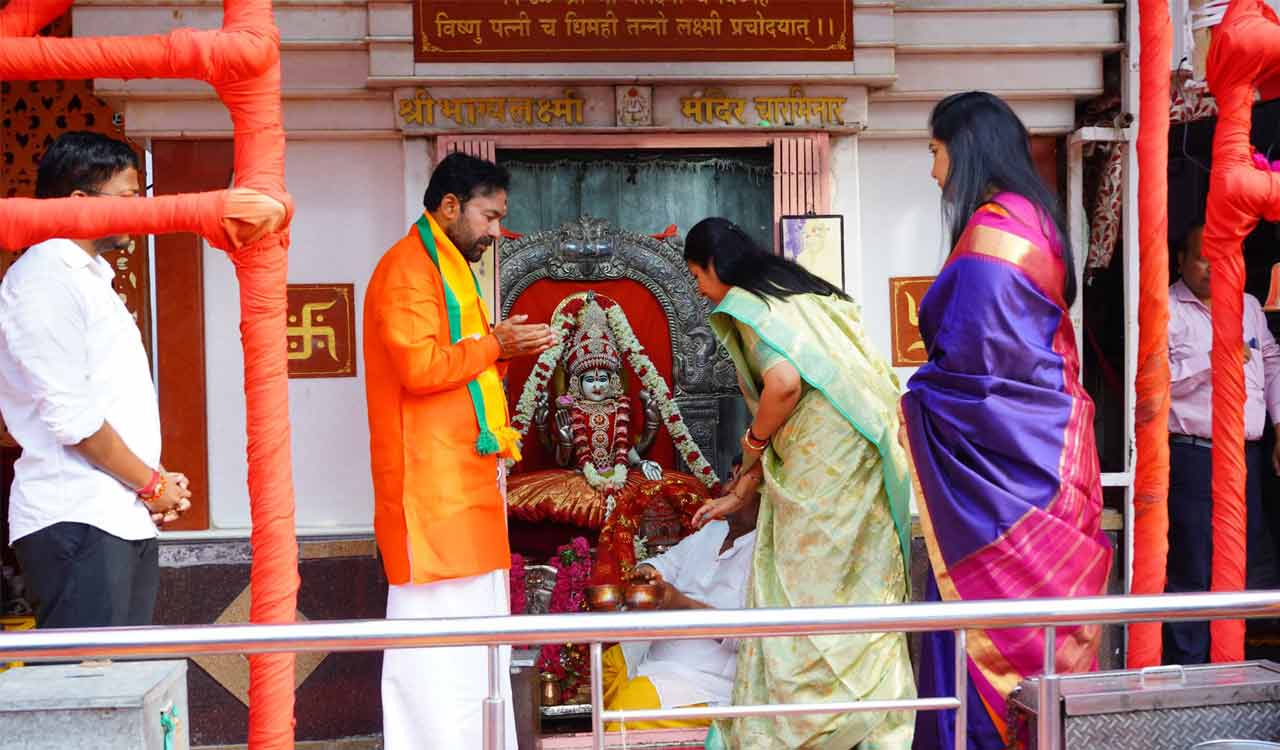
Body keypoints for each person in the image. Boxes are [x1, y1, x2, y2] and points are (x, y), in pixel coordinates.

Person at [900, 92, 1112, 750]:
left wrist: (914, 397)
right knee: (1038, 666)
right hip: (1047, 462)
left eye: (935, 153)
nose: (933, 171)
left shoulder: (990, 239)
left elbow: (972, 372)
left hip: (994, 494)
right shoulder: (1036, 221)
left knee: (975, 649)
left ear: (964, 151)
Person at [685, 217, 916, 750]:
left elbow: (784, 384)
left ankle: (806, 729)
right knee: (860, 596)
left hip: (821, 470)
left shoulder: (749, 307)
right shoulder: (805, 297)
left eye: (697, 275)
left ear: (714, 267)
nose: (699, 289)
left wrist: (754, 445)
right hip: (867, 462)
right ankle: (871, 723)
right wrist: (744, 487)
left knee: (801, 594)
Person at [363, 151, 557, 750]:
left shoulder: (445, 267)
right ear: (450, 206)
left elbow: (458, 363)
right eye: (489, 216)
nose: (497, 232)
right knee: (435, 659)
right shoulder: (408, 270)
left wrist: (498, 347)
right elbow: (420, 368)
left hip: (463, 488)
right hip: (431, 497)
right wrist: (496, 342)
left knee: (474, 652)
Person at [0, 132, 192, 629]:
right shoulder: (45, 277)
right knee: (88, 687)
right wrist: (151, 484)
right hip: (77, 517)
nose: (139, 212)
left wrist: (155, 478)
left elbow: (108, 402)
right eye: (128, 199)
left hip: (115, 512)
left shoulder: (91, 277)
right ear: (80, 202)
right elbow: (74, 418)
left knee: (123, 684)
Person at [1165, 222, 1280, 665]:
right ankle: (1189, 677)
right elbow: (1151, 386)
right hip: (1194, 456)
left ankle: (1236, 670)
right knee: (1192, 569)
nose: (1214, 266)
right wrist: (1216, 361)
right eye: (1202, 256)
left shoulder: (1249, 306)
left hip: (1245, 458)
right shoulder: (1166, 308)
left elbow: (1271, 367)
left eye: (1224, 255)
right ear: (1181, 260)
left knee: (1244, 568)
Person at [602, 456, 760, 732]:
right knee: (602, 668)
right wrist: (648, 574)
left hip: (701, 679)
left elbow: (751, 640)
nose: (726, 490)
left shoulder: (767, 553)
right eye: (730, 478)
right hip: (655, 655)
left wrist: (682, 604)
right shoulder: (713, 530)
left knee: (627, 714)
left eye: (738, 482)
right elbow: (666, 563)